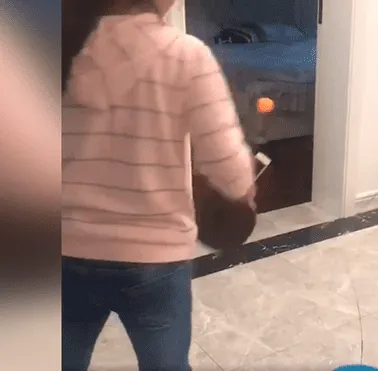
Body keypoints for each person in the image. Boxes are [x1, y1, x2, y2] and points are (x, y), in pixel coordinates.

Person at [61, 1, 256, 370]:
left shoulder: (56, 48)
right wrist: (241, 193)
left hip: (63, 247)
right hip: (155, 257)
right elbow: (230, 170)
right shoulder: (185, 55)